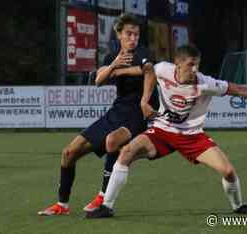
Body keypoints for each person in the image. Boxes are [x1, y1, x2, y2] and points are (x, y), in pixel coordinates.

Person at [85, 44, 247, 218]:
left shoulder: (206, 83)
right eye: (190, 64)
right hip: (162, 131)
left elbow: (241, 90)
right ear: (177, 63)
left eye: (197, 65)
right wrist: (114, 72)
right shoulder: (163, 69)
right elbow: (145, 70)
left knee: (228, 171)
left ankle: (239, 206)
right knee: (126, 152)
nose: (194, 69)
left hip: (192, 136)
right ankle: (107, 207)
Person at [38, 13, 158, 216]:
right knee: (69, 153)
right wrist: (114, 66)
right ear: (118, 35)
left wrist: (144, 100)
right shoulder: (112, 57)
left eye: (136, 35)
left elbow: (149, 71)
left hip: (137, 113)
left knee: (112, 141)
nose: (133, 39)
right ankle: (62, 205)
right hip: (117, 111)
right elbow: (98, 80)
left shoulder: (142, 53)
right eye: (129, 34)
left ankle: (103, 197)